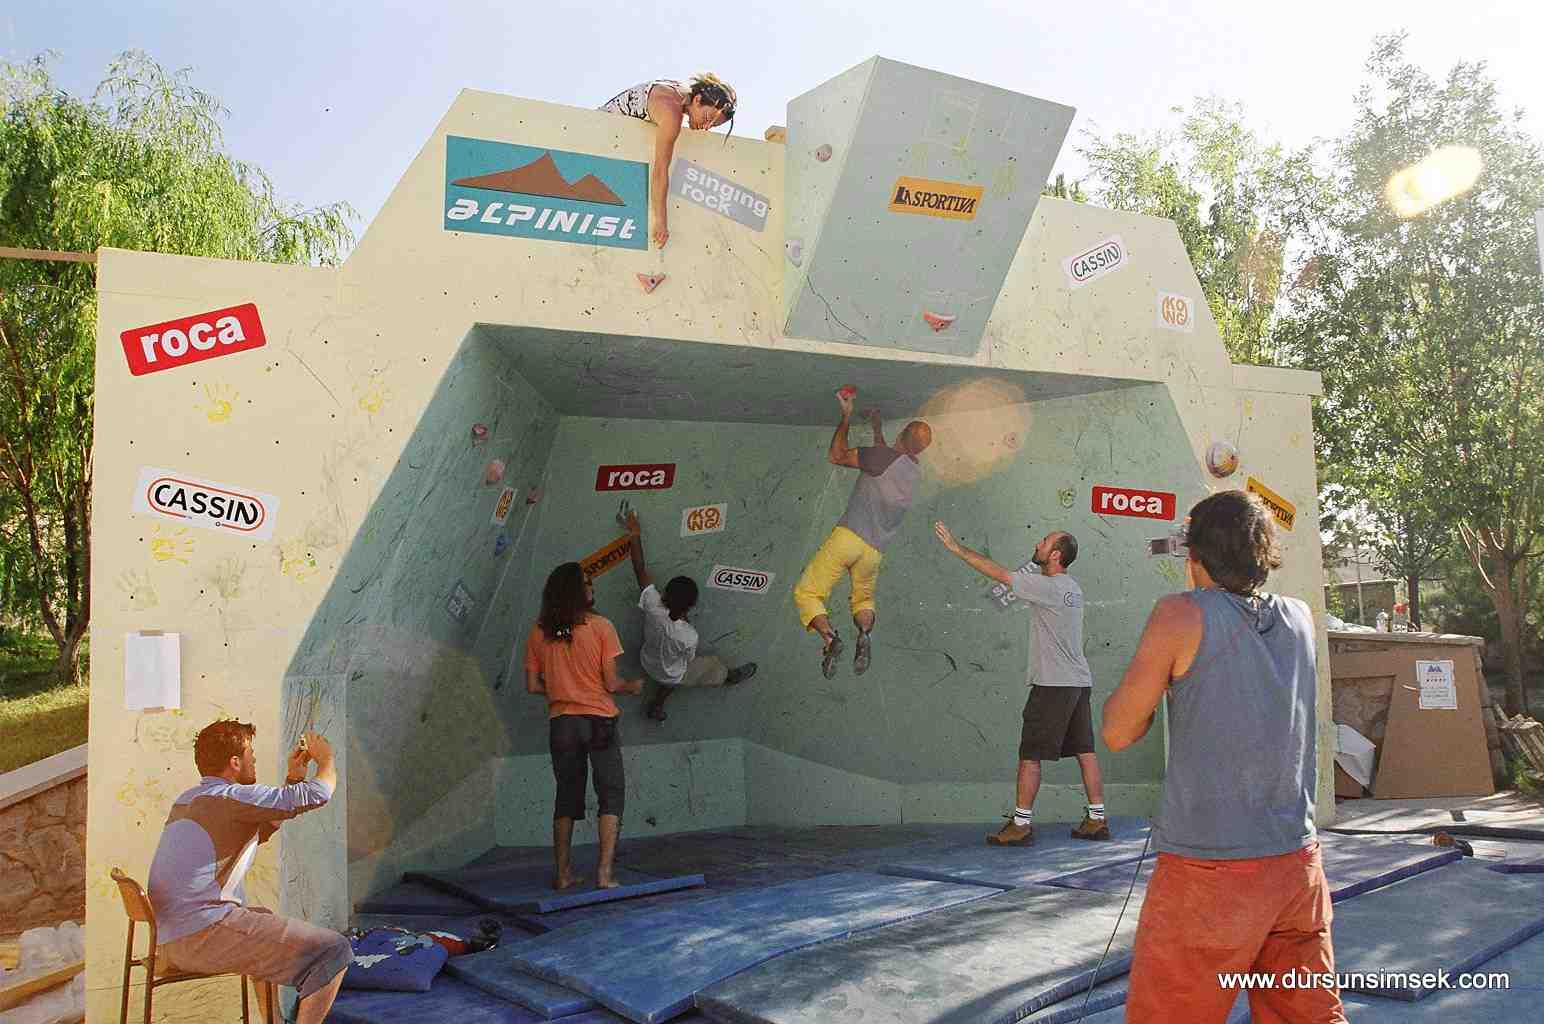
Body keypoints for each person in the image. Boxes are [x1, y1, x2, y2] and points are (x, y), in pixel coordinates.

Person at [1103, 491, 1345, 1023]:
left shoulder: (1178, 614)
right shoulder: (1300, 617)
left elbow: (1118, 731)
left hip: (1208, 873)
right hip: (1296, 865)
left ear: (1195, 554)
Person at [147, 720, 350, 1024]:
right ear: (235, 762)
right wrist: (327, 758)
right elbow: (318, 794)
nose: (254, 759)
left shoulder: (189, 800)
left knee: (262, 917)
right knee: (333, 950)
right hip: (201, 936)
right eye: (250, 754)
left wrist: (294, 778)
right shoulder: (231, 797)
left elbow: (259, 829)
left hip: (172, 940)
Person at [933, 524, 1110, 845]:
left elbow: (999, 574)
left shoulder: (1048, 587)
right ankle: (1097, 819)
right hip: (1078, 682)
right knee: (1085, 751)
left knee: (1030, 755)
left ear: (1055, 555)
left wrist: (958, 549)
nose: (1037, 544)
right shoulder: (1071, 588)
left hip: (1053, 685)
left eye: (1044, 542)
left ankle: (1021, 824)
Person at [793, 389, 932, 678]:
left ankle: (830, 639)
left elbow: (837, 456)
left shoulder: (884, 458)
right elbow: (884, 458)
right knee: (862, 600)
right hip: (874, 552)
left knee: (807, 592)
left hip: (848, 538)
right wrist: (876, 427)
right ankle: (864, 634)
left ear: (902, 435)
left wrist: (846, 416)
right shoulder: (913, 472)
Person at [525, 562, 644, 890]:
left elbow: (533, 685)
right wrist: (632, 686)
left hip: (562, 723)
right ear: (575, 590)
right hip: (599, 720)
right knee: (611, 794)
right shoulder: (602, 626)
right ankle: (604, 874)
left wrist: (563, 688)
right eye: (587, 582)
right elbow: (612, 683)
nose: (592, 587)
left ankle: (563, 874)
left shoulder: (539, 631)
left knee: (566, 797)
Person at [623, 510, 757, 721]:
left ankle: (656, 707)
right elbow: (687, 660)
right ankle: (728, 676)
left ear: (664, 594)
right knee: (710, 668)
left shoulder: (652, 603)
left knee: (670, 681)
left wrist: (634, 532)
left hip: (648, 661)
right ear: (691, 606)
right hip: (672, 672)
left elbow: (639, 568)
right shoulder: (689, 635)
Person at [600, 73, 737, 248]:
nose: (706, 127)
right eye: (707, 118)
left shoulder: (680, 91)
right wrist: (661, 221)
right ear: (697, 99)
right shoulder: (671, 114)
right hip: (600, 139)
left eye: (713, 125)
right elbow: (660, 171)